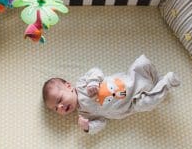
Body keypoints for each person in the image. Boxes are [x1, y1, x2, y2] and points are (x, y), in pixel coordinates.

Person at [42, 55, 180, 134]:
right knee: (147, 103)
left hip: (127, 81)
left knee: (140, 66)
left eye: (59, 99)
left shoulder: (82, 84)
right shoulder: (83, 115)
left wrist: (93, 83)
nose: (60, 106)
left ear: (68, 86)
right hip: (131, 104)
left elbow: (96, 71)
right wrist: (88, 127)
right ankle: (167, 83)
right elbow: (102, 123)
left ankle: (157, 81)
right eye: (56, 108)